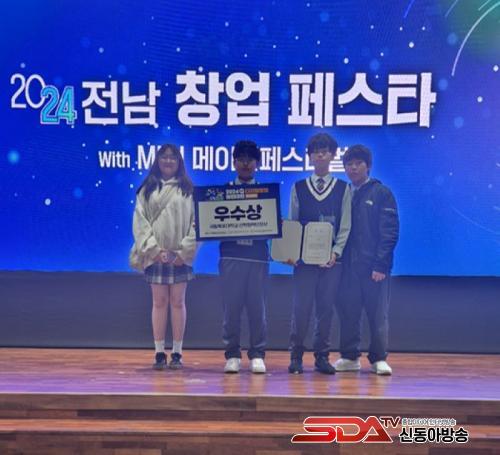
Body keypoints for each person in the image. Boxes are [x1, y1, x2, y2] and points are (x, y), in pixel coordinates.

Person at [287, 133, 352, 374]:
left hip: (330, 262)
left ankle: (322, 357)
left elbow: (345, 225)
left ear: (333, 155)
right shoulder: (299, 187)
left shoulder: (343, 188)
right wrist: (292, 252)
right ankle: (296, 356)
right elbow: (293, 224)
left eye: (325, 151)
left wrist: (336, 252)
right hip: (304, 262)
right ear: (310, 157)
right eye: (316, 152)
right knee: (301, 309)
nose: (320, 155)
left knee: (325, 310)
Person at [130, 143, 197, 370]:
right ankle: (159, 352)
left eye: (173, 157)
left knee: (178, 302)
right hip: (156, 256)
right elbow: (140, 223)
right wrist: (154, 251)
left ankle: (177, 352)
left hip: (179, 257)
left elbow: (197, 224)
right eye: (164, 157)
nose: (168, 161)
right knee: (159, 303)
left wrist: (184, 252)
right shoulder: (146, 189)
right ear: (157, 161)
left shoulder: (188, 190)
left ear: (179, 162)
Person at [334, 144, 399, 375]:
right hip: (347, 268)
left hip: (374, 268)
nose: (353, 168)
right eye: (349, 164)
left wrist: (381, 264)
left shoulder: (381, 193)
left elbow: (389, 232)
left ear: (368, 166)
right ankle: (349, 356)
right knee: (348, 313)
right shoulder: (342, 193)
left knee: (377, 315)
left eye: (358, 164)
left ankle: (379, 358)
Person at [219, 140, 269, 374]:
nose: (246, 164)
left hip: (257, 259)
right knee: (231, 308)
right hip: (231, 258)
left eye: (250, 160)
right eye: (241, 159)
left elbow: (273, 225)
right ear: (234, 163)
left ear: (257, 163)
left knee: (257, 309)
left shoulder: (267, 193)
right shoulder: (221, 193)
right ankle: (232, 354)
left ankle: (257, 354)